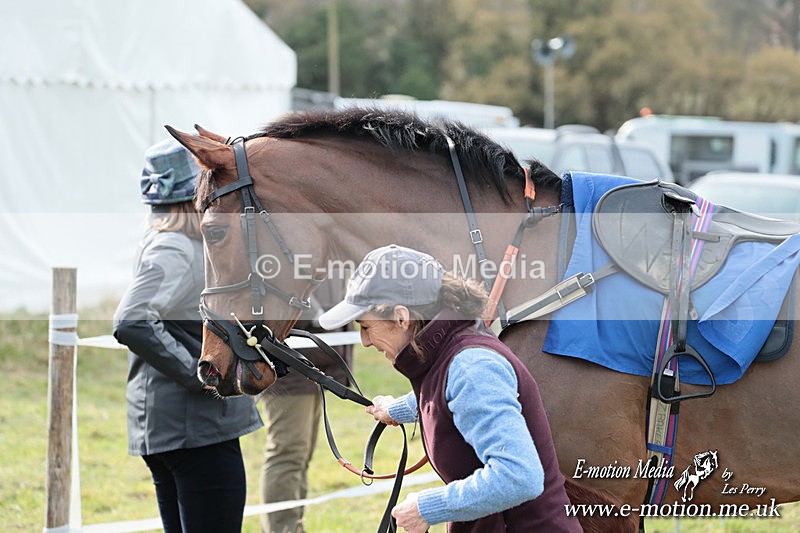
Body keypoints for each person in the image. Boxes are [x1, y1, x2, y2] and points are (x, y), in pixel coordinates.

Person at [318, 244, 581, 533]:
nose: (364, 341)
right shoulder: (452, 351)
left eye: (366, 326)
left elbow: (519, 476)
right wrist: (398, 408)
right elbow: (450, 393)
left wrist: (427, 508)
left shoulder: (471, 367)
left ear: (402, 317)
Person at [113, 138, 263, 533]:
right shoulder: (175, 248)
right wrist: (199, 375)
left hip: (183, 428)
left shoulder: (171, 242)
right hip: (193, 430)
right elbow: (132, 320)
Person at [260, 278, 353, 533]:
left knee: (301, 454)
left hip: (314, 368)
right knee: (288, 453)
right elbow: (287, 284)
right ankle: (282, 528)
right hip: (290, 370)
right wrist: (321, 316)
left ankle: (294, 524)